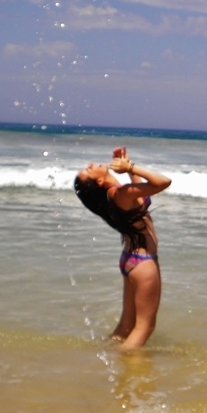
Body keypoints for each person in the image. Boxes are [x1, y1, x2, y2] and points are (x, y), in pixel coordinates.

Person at [74, 147, 171, 350]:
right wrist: (131, 167)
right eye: (88, 170)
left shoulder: (116, 196)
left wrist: (129, 169)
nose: (90, 164)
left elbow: (143, 199)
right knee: (145, 327)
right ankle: (128, 362)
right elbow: (163, 182)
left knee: (127, 325)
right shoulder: (120, 193)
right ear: (99, 182)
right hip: (144, 263)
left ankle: (106, 354)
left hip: (130, 260)